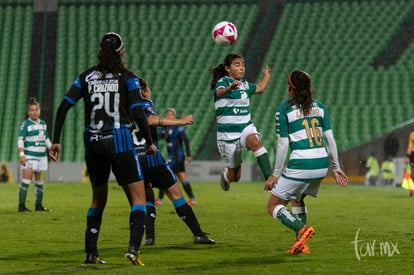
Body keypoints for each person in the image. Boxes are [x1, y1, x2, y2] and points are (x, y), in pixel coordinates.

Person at [48, 32, 157, 266]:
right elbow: (138, 113)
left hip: (93, 142)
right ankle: (133, 248)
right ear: (122, 52)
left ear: (100, 51)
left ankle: (90, 253)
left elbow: (63, 107)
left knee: (97, 200)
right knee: (138, 198)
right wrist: (149, 142)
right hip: (119, 141)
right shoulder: (128, 78)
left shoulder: (86, 77)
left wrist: (56, 139)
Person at [264, 70, 348, 255]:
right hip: (321, 164)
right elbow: (330, 140)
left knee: (272, 206)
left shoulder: (284, 110)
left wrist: (276, 173)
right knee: (297, 197)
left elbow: (283, 144)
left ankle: (301, 230)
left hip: (302, 164)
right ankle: (301, 244)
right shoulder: (320, 107)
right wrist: (336, 168)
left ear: (290, 87)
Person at [130, 78, 215, 246]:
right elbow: (150, 120)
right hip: (152, 159)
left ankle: (150, 237)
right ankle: (198, 234)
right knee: (176, 194)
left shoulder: (125, 106)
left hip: (134, 160)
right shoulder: (145, 103)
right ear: (145, 92)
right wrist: (180, 121)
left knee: (147, 195)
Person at [210, 53, 272, 191]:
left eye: (243, 64)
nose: (242, 68)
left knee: (256, 142)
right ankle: (226, 176)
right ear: (228, 68)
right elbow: (220, 93)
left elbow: (260, 88)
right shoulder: (223, 82)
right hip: (227, 135)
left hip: (245, 127)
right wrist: (230, 88)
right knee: (236, 176)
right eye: (237, 65)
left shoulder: (244, 85)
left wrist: (267, 75)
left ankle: (270, 178)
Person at [156, 108, 196, 206]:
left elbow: (186, 140)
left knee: (165, 175)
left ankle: (159, 200)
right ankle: (193, 199)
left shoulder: (178, 127)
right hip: (172, 157)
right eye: (167, 115)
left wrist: (189, 155)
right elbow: (157, 138)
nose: (169, 116)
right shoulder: (164, 129)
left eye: (171, 114)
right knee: (182, 178)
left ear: (174, 116)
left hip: (177, 157)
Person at [17, 97, 51, 212]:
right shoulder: (25, 124)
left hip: (42, 159)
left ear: (40, 111)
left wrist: (52, 149)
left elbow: (46, 139)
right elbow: (20, 140)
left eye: (36, 109)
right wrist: (22, 155)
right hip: (29, 158)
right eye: (31, 110)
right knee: (26, 181)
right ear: (28, 112)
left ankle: (38, 205)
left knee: (40, 182)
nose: (34, 112)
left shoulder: (43, 124)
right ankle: (21, 206)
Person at [404, 131, 414, 196]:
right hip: (413, 154)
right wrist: (407, 157)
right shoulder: (412, 134)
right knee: (413, 172)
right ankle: (412, 189)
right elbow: (410, 146)